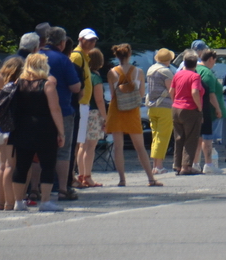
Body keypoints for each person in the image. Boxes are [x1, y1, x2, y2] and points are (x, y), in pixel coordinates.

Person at [9, 52, 64, 212]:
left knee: (21, 165)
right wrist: (61, 132)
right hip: (44, 128)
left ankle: (18, 202)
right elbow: (55, 109)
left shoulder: (18, 83)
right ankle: (45, 201)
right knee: (47, 165)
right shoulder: (47, 85)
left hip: (22, 127)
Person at [105, 43, 161, 186]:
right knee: (140, 147)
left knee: (118, 147)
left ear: (117, 56)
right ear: (129, 54)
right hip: (132, 111)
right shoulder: (138, 72)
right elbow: (141, 94)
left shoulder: (111, 73)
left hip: (116, 110)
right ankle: (150, 179)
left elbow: (112, 95)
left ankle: (122, 179)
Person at [40, 27, 82, 202]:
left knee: (37, 152)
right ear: (62, 43)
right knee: (63, 151)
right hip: (62, 110)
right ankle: (63, 189)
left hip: (36, 110)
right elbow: (75, 87)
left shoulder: (35, 56)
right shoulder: (63, 60)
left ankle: (34, 189)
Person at [0, 56, 24, 210]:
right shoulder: (15, 88)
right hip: (9, 128)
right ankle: (10, 202)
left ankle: (1, 202)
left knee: (2, 165)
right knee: (11, 166)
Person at [69, 28, 97, 189]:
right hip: (79, 104)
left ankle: (76, 176)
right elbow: (74, 80)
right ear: (80, 39)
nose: (92, 42)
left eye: (94, 40)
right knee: (76, 143)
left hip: (83, 104)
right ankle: (71, 176)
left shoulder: (83, 56)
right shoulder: (77, 56)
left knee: (78, 143)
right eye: (89, 39)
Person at [75, 47, 107, 188]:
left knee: (82, 145)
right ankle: (88, 176)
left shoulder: (84, 75)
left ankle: (81, 175)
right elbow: (99, 100)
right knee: (91, 146)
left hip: (83, 111)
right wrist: (105, 117)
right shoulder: (96, 78)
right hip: (94, 113)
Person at [170, 50, 205, 175]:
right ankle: (186, 166)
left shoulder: (177, 75)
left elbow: (171, 91)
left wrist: (175, 102)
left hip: (176, 108)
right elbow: (194, 92)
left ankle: (177, 165)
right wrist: (199, 107)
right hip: (190, 109)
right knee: (191, 138)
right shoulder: (195, 76)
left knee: (179, 138)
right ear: (195, 64)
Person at [193, 48, 226, 174]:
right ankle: (208, 164)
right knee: (207, 138)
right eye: (215, 60)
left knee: (199, 138)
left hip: (198, 109)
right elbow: (210, 94)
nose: (215, 63)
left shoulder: (196, 69)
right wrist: (218, 109)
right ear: (211, 59)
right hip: (208, 111)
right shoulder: (207, 73)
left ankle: (195, 163)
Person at [144, 48, 176, 174]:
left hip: (152, 106)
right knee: (163, 136)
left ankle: (155, 165)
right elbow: (171, 90)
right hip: (165, 106)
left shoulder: (151, 69)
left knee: (155, 136)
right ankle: (159, 166)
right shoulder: (166, 72)